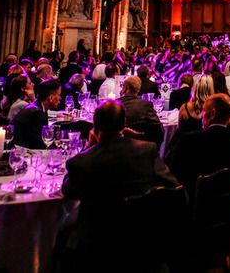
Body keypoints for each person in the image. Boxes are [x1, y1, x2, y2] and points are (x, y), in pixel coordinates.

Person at [61, 100, 179, 268]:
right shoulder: (146, 151)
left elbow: (68, 189)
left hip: (98, 246)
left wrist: (89, 146)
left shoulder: (83, 162)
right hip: (142, 240)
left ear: (94, 126)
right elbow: (174, 188)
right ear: (124, 124)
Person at [169, 93, 230, 196]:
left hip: (192, 202)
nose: (202, 115)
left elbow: (173, 174)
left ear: (212, 114)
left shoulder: (189, 140)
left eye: (203, 110)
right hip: (225, 204)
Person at [12, 78, 61, 148]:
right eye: (59, 95)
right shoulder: (37, 113)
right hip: (20, 153)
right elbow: (38, 144)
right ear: (51, 98)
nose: (60, 98)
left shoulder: (38, 107)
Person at [119, 75, 164, 144]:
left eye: (122, 86)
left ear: (125, 88)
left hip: (118, 147)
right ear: (138, 89)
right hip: (141, 147)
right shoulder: (146, 105)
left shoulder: (114, 105)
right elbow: (159, 130)